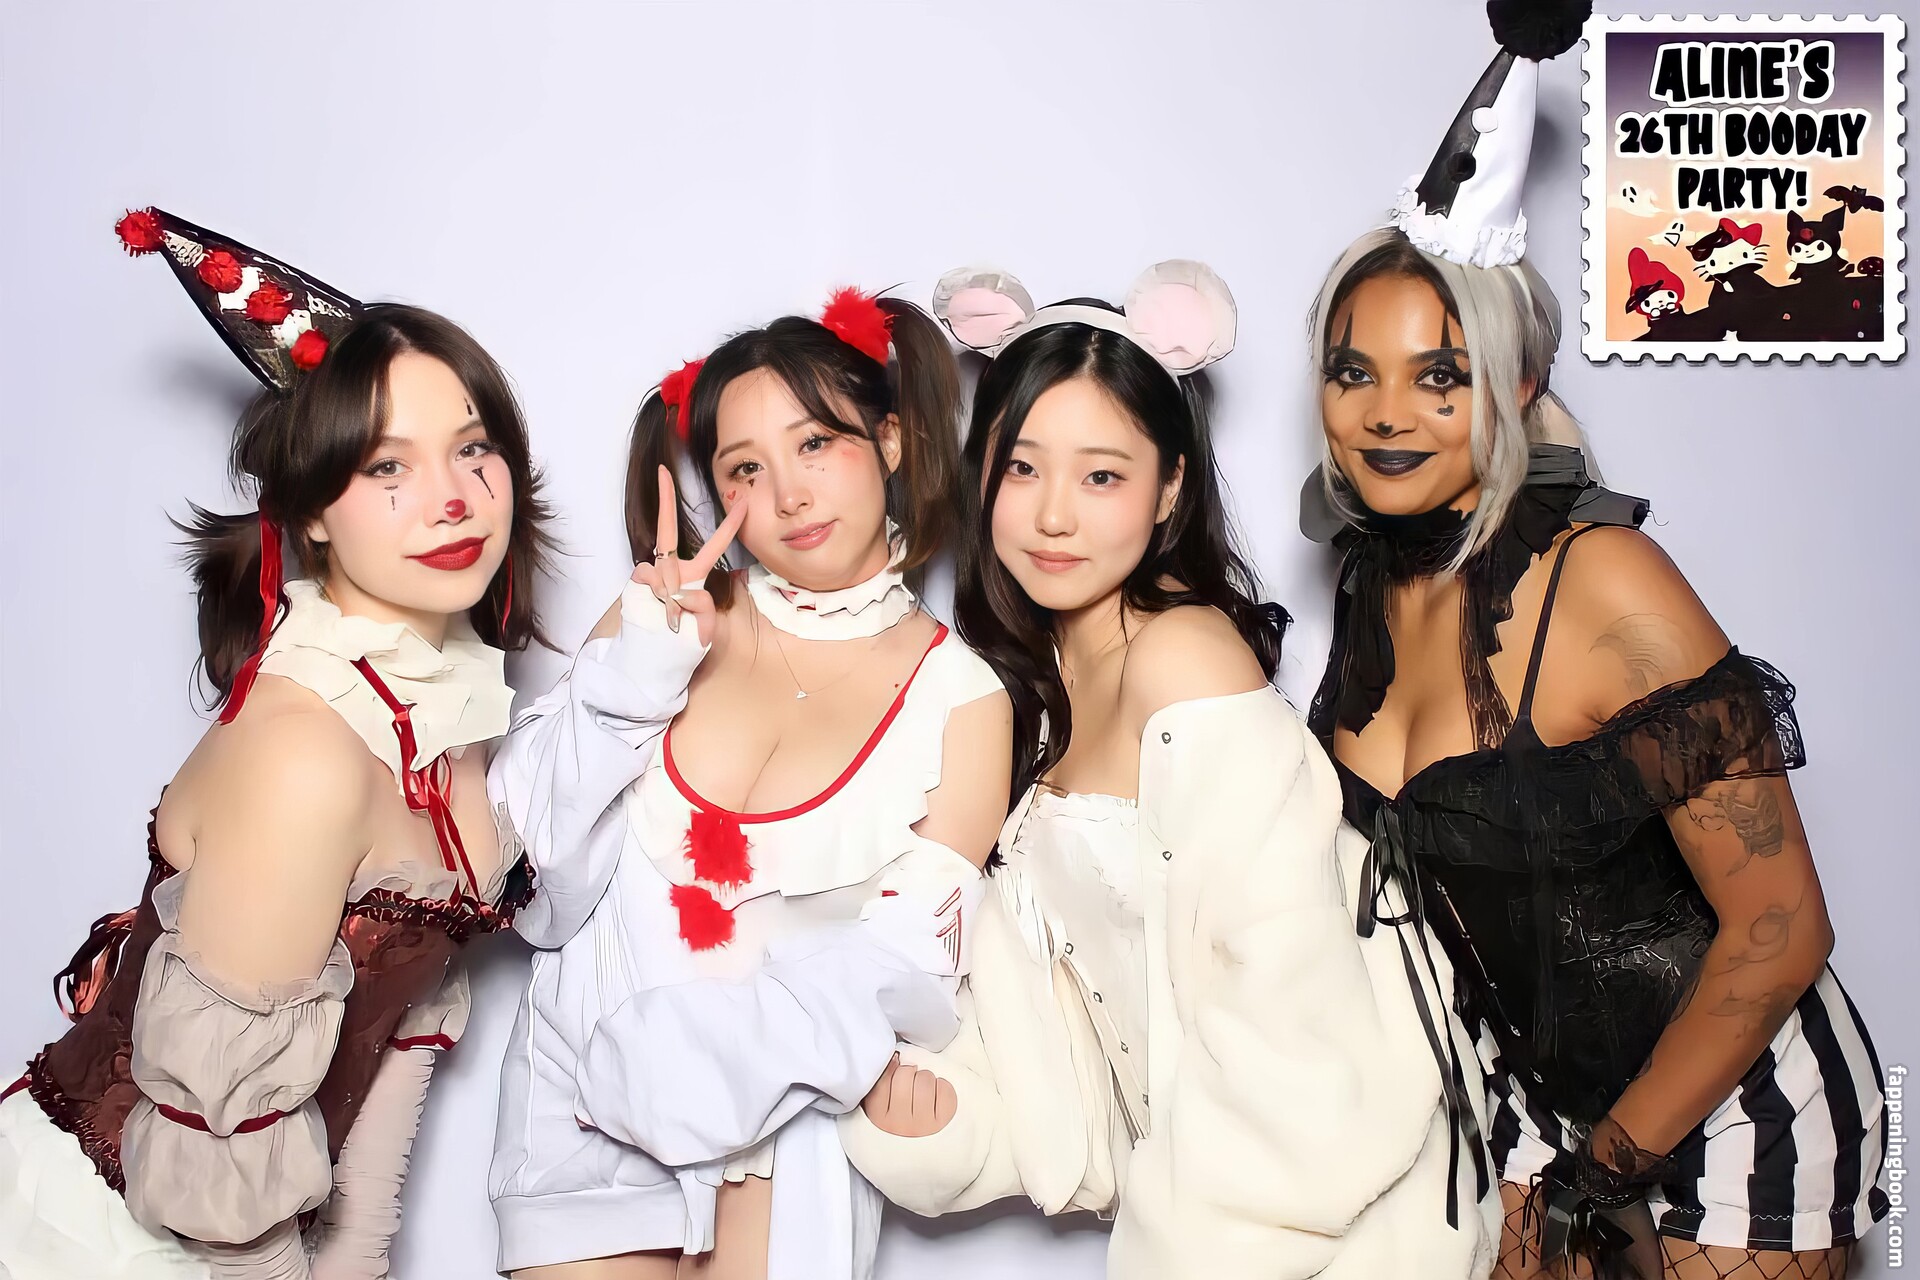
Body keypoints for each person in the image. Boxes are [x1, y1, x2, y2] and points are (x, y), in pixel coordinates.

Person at [1302, 5, 1890, 1275]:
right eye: (1354, 372)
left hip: (1745, 1109)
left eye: (1442, 375)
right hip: (1532, 1118)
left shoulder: (1603, 580)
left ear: (1517, 384)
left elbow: (1782, 919)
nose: (1388, 413)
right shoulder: (1367, 587)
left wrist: (1601, 1171)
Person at [839, 263, 1497, 1278]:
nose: (1054, 516)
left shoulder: (1184, 658)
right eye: (1022, 468)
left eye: (1102, 476)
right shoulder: (1023, 694)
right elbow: (1075, 1040)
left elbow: (1287, 1017)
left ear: (1171, 487)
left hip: (1343, 1231)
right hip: (1217, 1230)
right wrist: (945, 1116)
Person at [0, 208, 555, 1279]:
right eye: (387, 466)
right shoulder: (306, 750)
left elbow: (395, 1053)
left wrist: (359, 1262)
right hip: (104, 1242)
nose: (452, 499)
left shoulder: (445, 719)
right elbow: (219, 1194)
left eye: (472, 448)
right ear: (309, 512)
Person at [487, 287, 1012, 1279]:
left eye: (816, 443)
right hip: (577, 1117)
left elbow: (909, 966)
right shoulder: (663, 614)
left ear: (890, 440)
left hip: (783, 1133)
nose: (790, 494)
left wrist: (690, 1059)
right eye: (745, 468)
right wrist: (635, 674)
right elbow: (525, 885)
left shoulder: (963, 698)